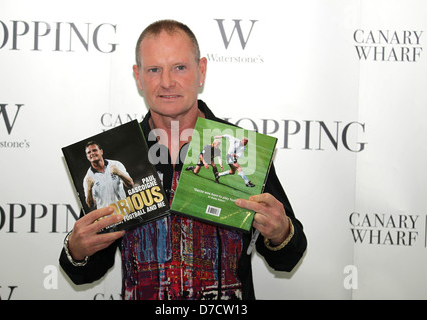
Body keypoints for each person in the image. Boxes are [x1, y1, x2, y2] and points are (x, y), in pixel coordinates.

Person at [60, 19, 307, 300]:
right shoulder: (120, 157)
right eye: (154, 70)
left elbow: (287, 258)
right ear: (138, 76)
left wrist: (281, 231)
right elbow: (85, 272)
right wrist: (77, 250)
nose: (167, 82)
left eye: (179, 67)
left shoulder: (239, 148)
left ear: (201, 71)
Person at [83, 141, 134, 209]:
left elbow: (131, 185)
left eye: (94, 150)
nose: (92, 153)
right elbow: (90, 205)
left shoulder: (116, 165)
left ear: (101, 151)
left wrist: (119, 173)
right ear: (87, 156)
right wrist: (89, 188)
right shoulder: (88, 178)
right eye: (89, 152)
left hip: (126, 211)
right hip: (108, 216)